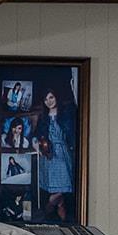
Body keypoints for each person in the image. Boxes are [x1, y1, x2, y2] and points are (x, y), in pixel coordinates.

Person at [35, 88, 77, 221]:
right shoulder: (43, 117)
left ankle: (48, 207)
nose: (49, 101)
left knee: (64, 185)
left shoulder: (66, 114)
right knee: (55, 190)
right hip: (48, 155)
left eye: (51, 97)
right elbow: (36, 135)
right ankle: (61, 214)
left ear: (56, 97)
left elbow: (72, 133)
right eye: (46, 99)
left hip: (62, 153)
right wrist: (36, 144)